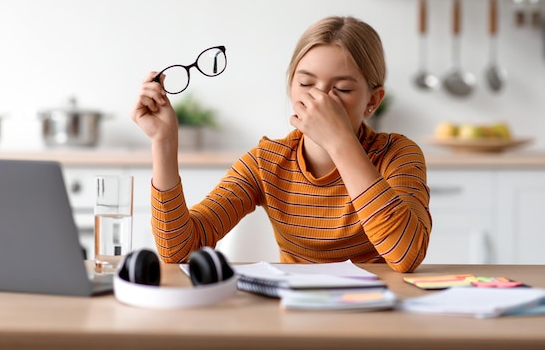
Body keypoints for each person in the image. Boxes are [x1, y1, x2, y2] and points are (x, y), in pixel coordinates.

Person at [131, 16, 431, 273]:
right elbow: (179, 250)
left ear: (372, 101)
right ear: (291, 87)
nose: (320, 100)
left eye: (341, 89)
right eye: (306, 84)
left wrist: (340, 142)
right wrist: (164, 142)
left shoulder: (398, 155)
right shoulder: (267, 162)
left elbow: (405, 255)